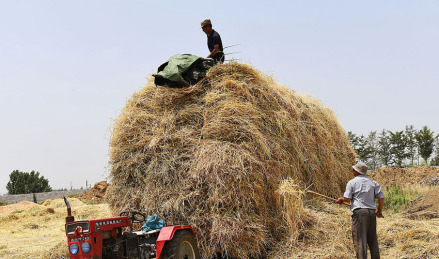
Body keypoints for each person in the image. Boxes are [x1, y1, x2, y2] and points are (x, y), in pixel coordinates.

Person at [336, 161, 384, 259]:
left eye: (353, 169)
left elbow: (347, 199)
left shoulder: (352, 182)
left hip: (360, 214)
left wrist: (341, 200)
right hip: (371, 213)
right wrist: (379, 211)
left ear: (356, 171)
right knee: (372, 240)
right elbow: (381, 197)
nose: (352, 170)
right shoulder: (373, 183)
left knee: (360, 240)